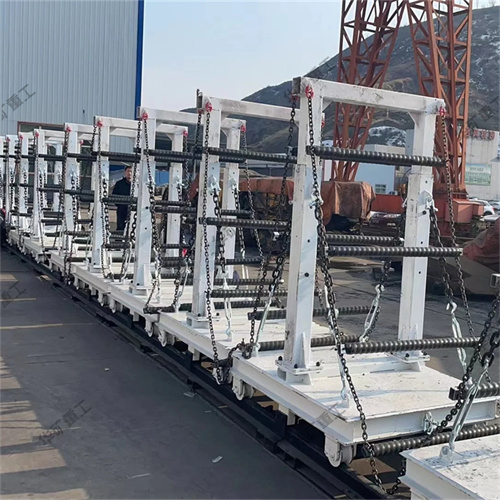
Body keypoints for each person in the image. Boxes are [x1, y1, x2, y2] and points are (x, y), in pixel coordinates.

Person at [112, 165, 132, 231]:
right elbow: (114, 196)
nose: (129, 173)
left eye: (131, 171)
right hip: (122, 210)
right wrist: (120, 204)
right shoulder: (119, 184)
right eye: (128, 171)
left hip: (133, 209)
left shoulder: (137, 185)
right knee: (121, 227)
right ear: (125, 172)